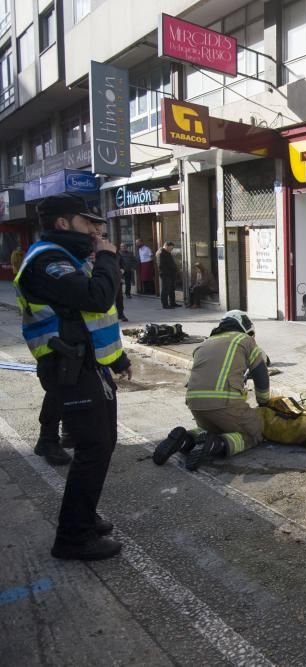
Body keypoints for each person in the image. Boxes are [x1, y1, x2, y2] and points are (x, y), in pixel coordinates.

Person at [13, 193, 132, 561]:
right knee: (92, 449)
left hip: (89, 366)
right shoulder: (47, 261)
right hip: (69, 369)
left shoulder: (70, 258)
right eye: (89, 222)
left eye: (98, 223)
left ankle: (84, 515)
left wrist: (117, 358)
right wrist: (110, 258)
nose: (98, 229)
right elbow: (97, 298)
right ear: (63, 223)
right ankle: (73, 537)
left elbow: (89, 320)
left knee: (102, 444)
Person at [153, 310, 270, 471]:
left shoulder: (203, 344)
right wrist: (264, 402)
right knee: (253, 433)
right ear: (242, 325)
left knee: (213, 429)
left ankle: (185, 440)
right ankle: (216, 445)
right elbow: (260, 373)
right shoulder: (245, 339)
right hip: (224, 403)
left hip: (195, 405)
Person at [156, 240, 178, 309]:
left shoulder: (167, 252)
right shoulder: (161, 253)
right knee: (165, 289)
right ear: (166, 246)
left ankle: (173, 303)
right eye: (171, 248)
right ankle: (165, 304)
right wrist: (168, 273)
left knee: (171, 289)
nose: (171, 250)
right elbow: (161, 265)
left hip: (171, 274)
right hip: (166, 274)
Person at [114, 244, 128, 322]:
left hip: (117, 278)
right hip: (106, 279)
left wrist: (122, 271)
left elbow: (122, 264)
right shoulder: (100, 253)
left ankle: (121, 314)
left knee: (119, 297)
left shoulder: (117, 254)